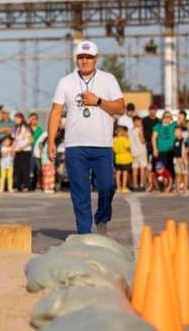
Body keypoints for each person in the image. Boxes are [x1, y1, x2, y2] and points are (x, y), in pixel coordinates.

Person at [47, 40, 125, 235]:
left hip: (102, 145)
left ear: (95, 59)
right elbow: (56, 112)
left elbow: (120, 107)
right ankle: (84, 233)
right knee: (80, 192)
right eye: (81, 57)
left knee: (107, 186)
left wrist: (98, 101)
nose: (85, 61)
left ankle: (102, 218)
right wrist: (50, 142)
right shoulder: (65, 82)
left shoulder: (108, 79)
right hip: (75, 145)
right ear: (76, 59)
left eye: (89, 57)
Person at [152, 111, 177, 181]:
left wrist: (172, 114)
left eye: (169, 117)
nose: (167, 118)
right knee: (161, 168)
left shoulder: (173, 125)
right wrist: (155, 149)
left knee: (171, 167)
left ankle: (171, 183)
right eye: (165, 117)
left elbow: (181, 118)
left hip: (171, 151)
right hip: (161, 150)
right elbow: (153, 138)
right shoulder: (158, 126)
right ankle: (162, 183)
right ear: (162, 118)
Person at [12, 113, 33, 192]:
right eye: (15, 119)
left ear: (21, 119)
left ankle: (26, 185)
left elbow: (30, 140)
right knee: (18, 168)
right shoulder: (16, 128)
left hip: (25, 151)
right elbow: (15, 140)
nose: (16, 120)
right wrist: (12, 149)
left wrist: (22, 148)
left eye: (17, 119)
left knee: (25, 169)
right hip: (18, 151)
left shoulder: (26, 128)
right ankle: (18, 185)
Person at [129, 115, 149, 190]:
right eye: (139, 121)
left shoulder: (130, 130)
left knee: (134, 168)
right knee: (142, 168)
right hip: (141, 151)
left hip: (133, 151)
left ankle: (135, 184)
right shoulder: (139, 130)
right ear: (136, 122)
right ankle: (141, 184)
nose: (141, 122)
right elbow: (142, 140)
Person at [112, 126, 132, 193]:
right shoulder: (124, 139)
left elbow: (113, 149)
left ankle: (118, 187)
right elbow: (128, 148)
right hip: (125, 157)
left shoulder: (114, 139)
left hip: (118, 157)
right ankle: (124, 187)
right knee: (125, 172)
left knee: (118, 172)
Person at [172, 126, 188, 193]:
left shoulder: (184, 140)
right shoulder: (175, 140)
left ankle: (185, 188)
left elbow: (187, 148)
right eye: (175, 131)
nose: (176, 133)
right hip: (177, 159)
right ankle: (178, 188)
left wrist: (184, 157)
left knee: (184, 174)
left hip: (183, 159)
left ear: (181, 132)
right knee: (178, 173)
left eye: (178, 131)